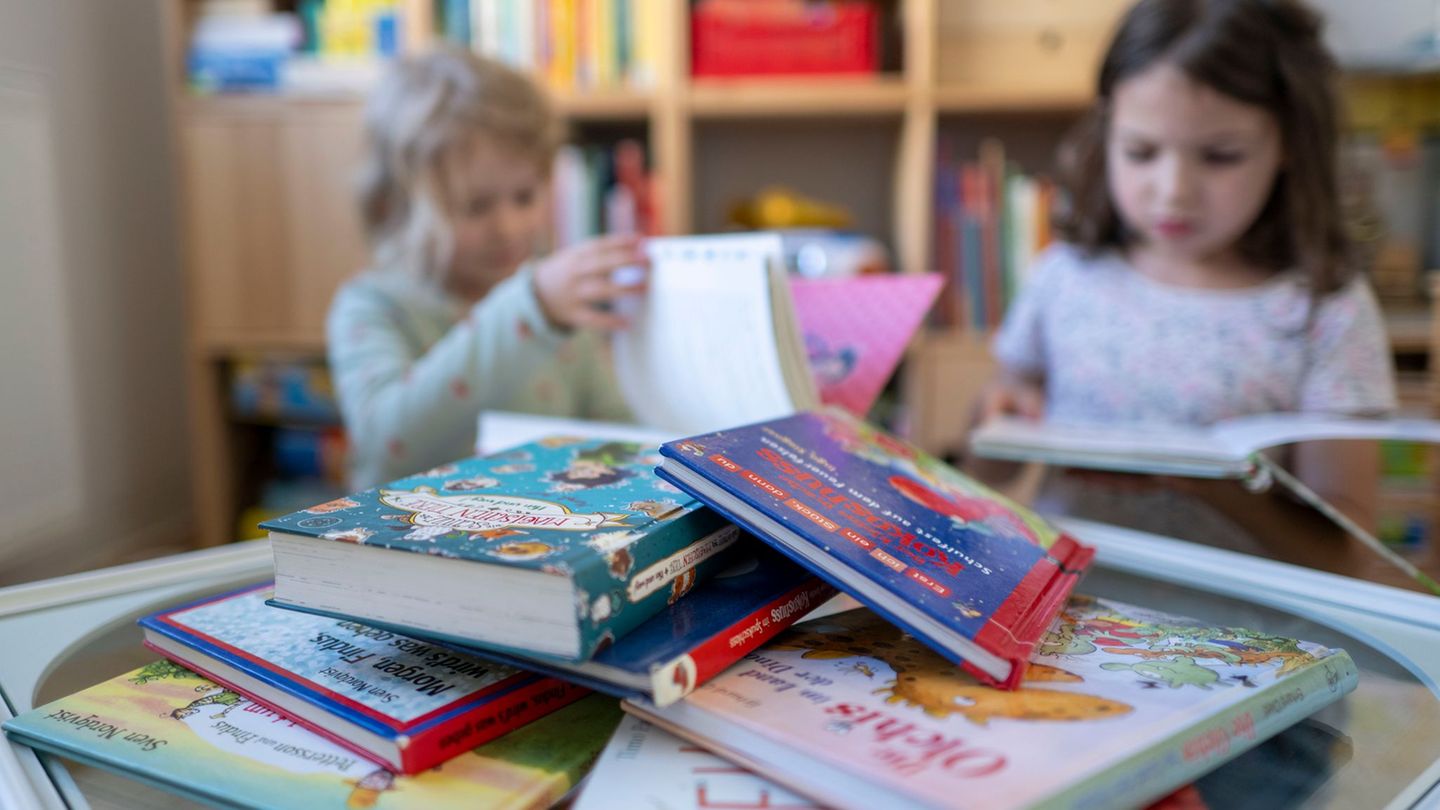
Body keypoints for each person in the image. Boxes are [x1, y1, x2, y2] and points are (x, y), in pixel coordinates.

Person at [973, 0, 1398, 555]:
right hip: (1065, 616)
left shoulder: (1325, 308)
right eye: (1141, 151)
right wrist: (1001, 410)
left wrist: (1207, 482)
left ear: (1289, 143)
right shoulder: (1066, 275)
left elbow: (1346, 554)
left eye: (1221, 156)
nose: (1173, 190)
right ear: (1108, 131)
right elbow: (988, 472)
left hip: (1245, 636)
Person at [329, 48, 645, 489]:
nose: (508, 227)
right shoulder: (373, 305)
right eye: (476, 206)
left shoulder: (551, 305)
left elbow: (619, 434)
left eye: (524, 197)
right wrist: (530, 311)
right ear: (394, 207)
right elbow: (386, 442)